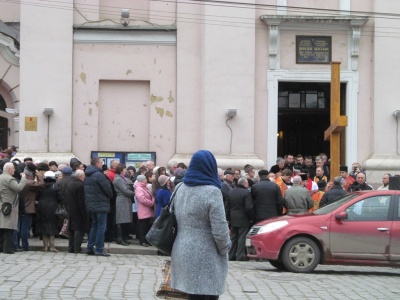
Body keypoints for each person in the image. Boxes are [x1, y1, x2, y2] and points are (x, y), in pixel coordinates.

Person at [171, 150, 230, 299]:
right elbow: (220, 229)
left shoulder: (180, 188)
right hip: (206, 254)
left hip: (181, 249)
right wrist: (225, 249)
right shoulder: (212, 191)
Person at [84, 157, 114, 256]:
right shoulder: (99, 175)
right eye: (101, 162)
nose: (102, 164)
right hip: (100, 204)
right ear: (97, 164)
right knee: (101, 227)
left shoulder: (87, 175)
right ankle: (99, 249)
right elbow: (108, 190)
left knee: (94, 226)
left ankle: (90, 247)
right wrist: (110, 196)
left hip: (92, 204)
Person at [0, 162, 27, 254]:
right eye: (13, 168)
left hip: (2, 205)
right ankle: (7, 248)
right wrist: (23, 179)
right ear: (9, 169)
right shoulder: (10, 179)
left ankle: (1, 247)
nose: (14, 170)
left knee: (2, 227)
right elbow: (19, 188)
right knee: (8, 228)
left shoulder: (1, 177)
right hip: (9, 206)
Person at [228, 177, 252, 261]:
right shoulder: (246, 193)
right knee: (242, 237)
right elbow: (248, 207)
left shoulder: (231, 192)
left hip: (233, 217)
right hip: (243, 217)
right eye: (247, 184)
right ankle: (240, 255)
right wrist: (251, 217)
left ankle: (230, 255)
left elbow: (227, 206)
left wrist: (228, 218)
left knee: (233, 237)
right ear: (245, 184)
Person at [36, 171, 61, 252]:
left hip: (42, 206)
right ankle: (52, 246)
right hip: (53, 206)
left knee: (43, 225)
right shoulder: (56, 185)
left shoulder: (41, 186)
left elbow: (37, 196)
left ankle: (45, 246)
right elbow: (60, 197)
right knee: (52, 225)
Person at [66, 169, 88, 254]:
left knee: (72, 230)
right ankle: (77, 248)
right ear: (80, 176)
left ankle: (71, 248)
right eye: (83, 176)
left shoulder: (71, 184)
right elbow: (81, 201)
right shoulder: (80, 185)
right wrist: (84, 213)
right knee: (79, 230)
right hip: (78, 211)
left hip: (71, 209)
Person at [113, 164, 135, 246]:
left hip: (126, 200)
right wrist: (135, 193)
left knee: (125, 220)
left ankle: (124, 237)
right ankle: (120, 238)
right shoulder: (118, 179)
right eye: (125, 169)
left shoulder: (123, 178)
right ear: (121, 170)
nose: (126, 170)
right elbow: (125, 190)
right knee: (121, 220)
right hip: (122, 200)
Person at [134, 175, 155, 247]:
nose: (146, 180)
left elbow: (150, 195)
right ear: (142, 180)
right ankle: (142, 241)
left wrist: (152, 200)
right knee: (143, 226)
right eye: (145, 179)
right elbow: (141, 199)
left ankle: (146, 240)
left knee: (146, 226)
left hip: (147, 209)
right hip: (143, 210)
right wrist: (151, 203)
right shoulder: (139, 188)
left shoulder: (144, 187)